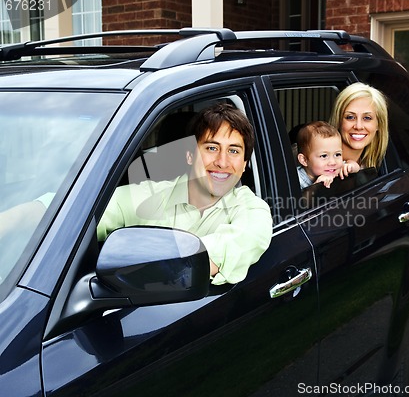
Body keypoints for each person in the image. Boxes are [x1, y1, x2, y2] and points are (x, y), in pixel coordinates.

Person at [0, 103, 273, 286]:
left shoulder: (254, 212)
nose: (223, 162)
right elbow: (74, 210)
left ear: (245, 165)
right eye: (211, 148)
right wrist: (9, 221)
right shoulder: (153, 194)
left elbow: (201, 261)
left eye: (234, 151)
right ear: (190, 155)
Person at [329, 82, 389, 174]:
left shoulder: (369, 167)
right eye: (350, 117)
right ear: (338, 121)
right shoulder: (319, 166)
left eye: (367, 118)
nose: (358, 126)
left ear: (379, 125)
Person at [296, 121, 359, 189]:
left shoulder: (336, 168)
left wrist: (351, 166)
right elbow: (296, 199)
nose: (332, 162)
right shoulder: (295, 179)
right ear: (304, 160)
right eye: (324, 156)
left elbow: (356, 167)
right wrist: (316, 187)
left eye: (337, 154)